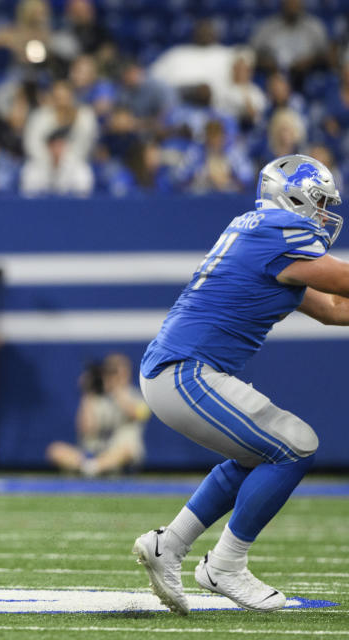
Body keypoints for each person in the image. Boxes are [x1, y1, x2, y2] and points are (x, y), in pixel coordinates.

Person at [132, 154, 346, 614]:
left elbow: (332, 309)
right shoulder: (279, 232)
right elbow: (345, 281)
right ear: (290, 198)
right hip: (186, 371)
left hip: (178, 370)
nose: (326, 216)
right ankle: (226, 565)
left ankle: (168, 545)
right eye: (319, 204)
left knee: (259, 453)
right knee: (295, 445)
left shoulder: (259, 230)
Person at [46, 353, 150, 477]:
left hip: (120, 454)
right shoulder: (95, 398)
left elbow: (138, 414)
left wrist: (115, 389)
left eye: (116, 371)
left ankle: (93, 468)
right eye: (110, 371)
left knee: (126, 450)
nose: (114, 376)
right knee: (55, 450)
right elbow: (86, 430)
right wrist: (88, 392)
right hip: (94, 452)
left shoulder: (136, 394)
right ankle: (92, 467)